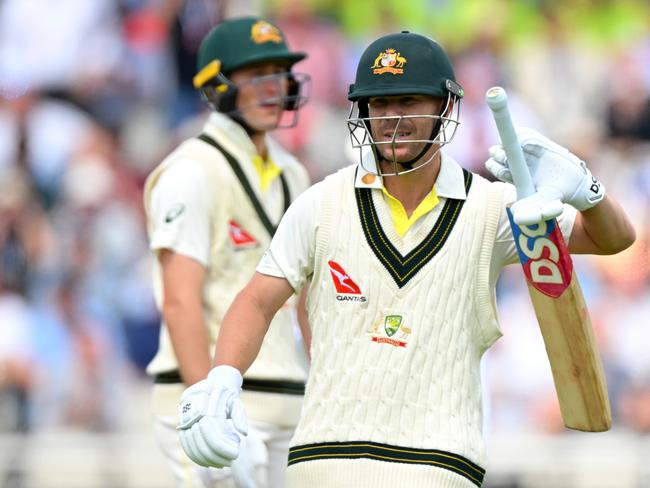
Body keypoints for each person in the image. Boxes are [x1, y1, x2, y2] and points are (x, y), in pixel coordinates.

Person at [175, 31, 636, 488]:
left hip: (438, 465)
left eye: (409, 101)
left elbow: (611, 240)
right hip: (324, 460)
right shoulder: (322, 204)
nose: (392, 118)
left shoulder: (493, 208)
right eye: (379, 104)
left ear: (445, 107)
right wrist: (222, 378)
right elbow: (257, 300)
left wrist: (587, 191)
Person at [143, 16, 312, 488]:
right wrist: (207, 412)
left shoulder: (293, 173)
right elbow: (180, 300)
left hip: (286, 398)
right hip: (214, 396)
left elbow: (304, 300)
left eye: (279, 73)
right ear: (217, 85)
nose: (273, 87)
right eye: (255, 75)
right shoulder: (191, 171)